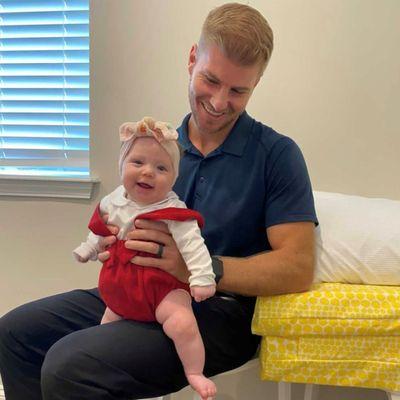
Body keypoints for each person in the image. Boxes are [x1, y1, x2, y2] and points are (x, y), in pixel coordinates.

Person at [0, 3, 317, 400]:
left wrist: (201, 269)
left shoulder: (277, 155)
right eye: (211, 80)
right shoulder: (160, 151)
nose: (219, 102)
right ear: (191, 59)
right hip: (137, 290)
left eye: (238, 90)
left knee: (71, 364)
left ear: (258, 83)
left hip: (216, 313)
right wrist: (115, 243)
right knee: (14, 333)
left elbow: (298, 267)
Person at [73, 116, 216, 399]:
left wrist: (202, 278)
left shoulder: (173, 210)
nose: (148, 172)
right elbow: (101, 230)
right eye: (138, 163)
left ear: (174, 178)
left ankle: (195, 372)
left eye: (161, 168)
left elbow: (194, 247)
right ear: (122, 167)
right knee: (101, 338)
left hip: (161, 291)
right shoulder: (113, 201)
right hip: (121, 292)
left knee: (183, 324)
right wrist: (89, 248)